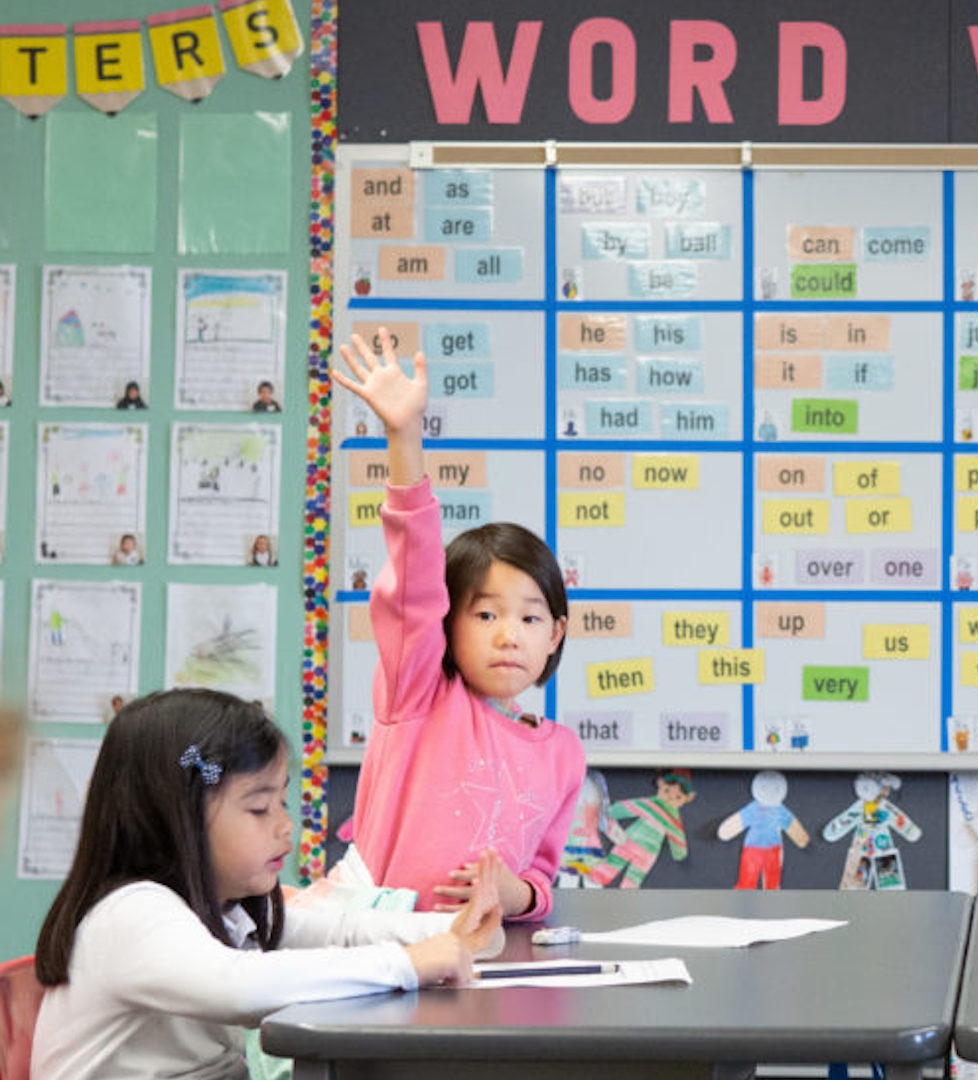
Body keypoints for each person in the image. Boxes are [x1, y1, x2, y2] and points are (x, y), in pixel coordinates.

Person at [31, 689, 505, 1080]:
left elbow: (338, 932)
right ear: (177, 819)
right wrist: (405, 964)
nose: (285, 827)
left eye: (283, 802)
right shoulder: (131, 914)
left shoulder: (225, 910)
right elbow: (238, 988)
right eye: (259, 808)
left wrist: (453, 933)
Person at [333, 329, 583, 922]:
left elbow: (540, 881)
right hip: (385, 956)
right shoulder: (418, 695)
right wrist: (403, 436)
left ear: (555, 635)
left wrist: (513, 892)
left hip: (486, 964)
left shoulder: (564, 754)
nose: (508, 635)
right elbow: (415, 579)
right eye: (486, 614)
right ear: (446, 623)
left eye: (529, 617)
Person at [719, 770, 811, 890]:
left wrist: (724, 832)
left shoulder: (758, 809)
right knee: (765, 879)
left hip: (757, 848)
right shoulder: (777, 811)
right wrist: (801, 839)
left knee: (757, 878)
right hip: (766, 848)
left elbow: (734, 824)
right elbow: (793, 827)